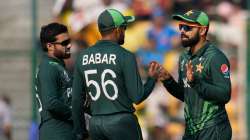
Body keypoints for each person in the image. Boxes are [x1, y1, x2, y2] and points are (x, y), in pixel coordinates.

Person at [72, 9, 160, 140]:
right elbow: (137, 96)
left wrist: (80, 130)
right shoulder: (125, 56)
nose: (125, 32)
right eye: (124, 28)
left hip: (96, 124)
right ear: (117, 30)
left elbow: (76, 100)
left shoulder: (82, 57)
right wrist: (152, 79)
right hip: (122, 123)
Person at [158, 10, 232, 140]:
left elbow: (224, 95)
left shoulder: (215, 58)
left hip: (213, 129)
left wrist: (196, 82)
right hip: (191, 131)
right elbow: (185, 95)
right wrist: (168, 81)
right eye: (181, 27)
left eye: (188, 28)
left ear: (203, 31)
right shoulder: (184, 57)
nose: (182, 31)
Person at [35, 22, 75, 140]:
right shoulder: (48, 67)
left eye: (69, 41)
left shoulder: (57, 66)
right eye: (64, 43)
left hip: (64, 131)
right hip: (56, 132)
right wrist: (76, 115)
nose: (69, 45)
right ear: (50, 46)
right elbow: (51, 103)